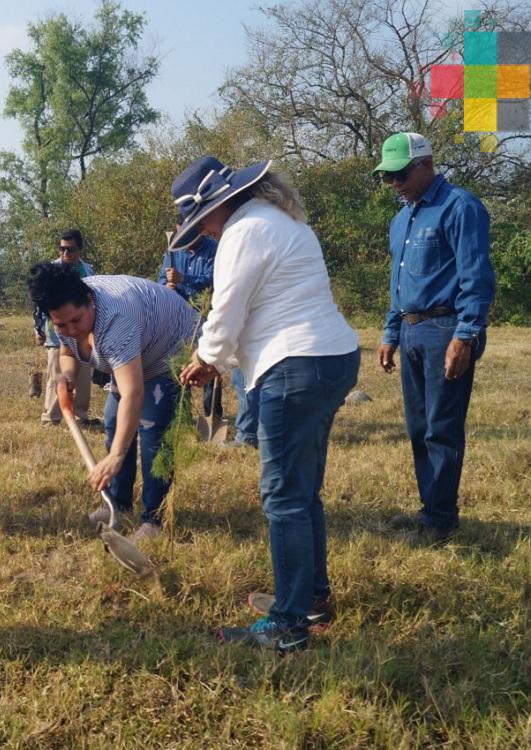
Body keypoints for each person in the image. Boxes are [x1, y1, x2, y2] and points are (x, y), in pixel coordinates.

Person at [176, 155, 360, 652]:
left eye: (201, 223)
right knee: (303, 491)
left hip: (295, 367)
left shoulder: (244, 231)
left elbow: (226, 308)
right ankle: (310, 598)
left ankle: (287, 625)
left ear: (219, 205)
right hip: (328, 358)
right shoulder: (276, 221)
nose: (205, 234)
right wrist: (216, 356)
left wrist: (206, 358)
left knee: (283, 497)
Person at [372, 132, 495, 544]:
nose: (395, 184)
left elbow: (476, 277)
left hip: (445, 329)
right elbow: (399, 280)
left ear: (426, 164)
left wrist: (466, 334)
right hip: (410, 330)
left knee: (441, 427)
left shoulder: (460, 207)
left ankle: (440, 519)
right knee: (418, 426)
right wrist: (391, 331)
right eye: (388, 177)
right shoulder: (402, 216)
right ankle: (431, 509)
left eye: (401, 174)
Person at [28, 262, 199, 543]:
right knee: (113, 422)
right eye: (61, 324)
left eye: (77, 321)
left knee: (153, 430)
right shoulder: (63, 313)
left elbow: (133, 393)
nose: (70, 329)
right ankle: (118, 504)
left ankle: (153, 519)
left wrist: (116, 456)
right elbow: (68, 350)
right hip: (136, 347)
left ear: (89, 301)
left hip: (171, 346)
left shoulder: (117, 319)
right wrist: (67, 375)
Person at [159, 222, 259, 449]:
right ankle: (178, 417)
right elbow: (162, 279)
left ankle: (211, 412)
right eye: (181, 232)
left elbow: (219, 282)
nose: (186, 236)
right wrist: (168, 286)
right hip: (179, 317)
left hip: (208, 316)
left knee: (209, 368)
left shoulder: (216, 249)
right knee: (177, 368)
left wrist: (185, 279)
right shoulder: (172, 251)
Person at [33, 229, 95, 425]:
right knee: (57, 375)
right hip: (56, 332)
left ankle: (79, 415)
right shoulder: (50, 271)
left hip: (84, 331)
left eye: (70, 250)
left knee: (84, 375)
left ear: (79, 250)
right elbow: (39, 305)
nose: (65, 254)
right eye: (62, 249)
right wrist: (39, 330)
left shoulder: (88, 270)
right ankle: (52, 417)